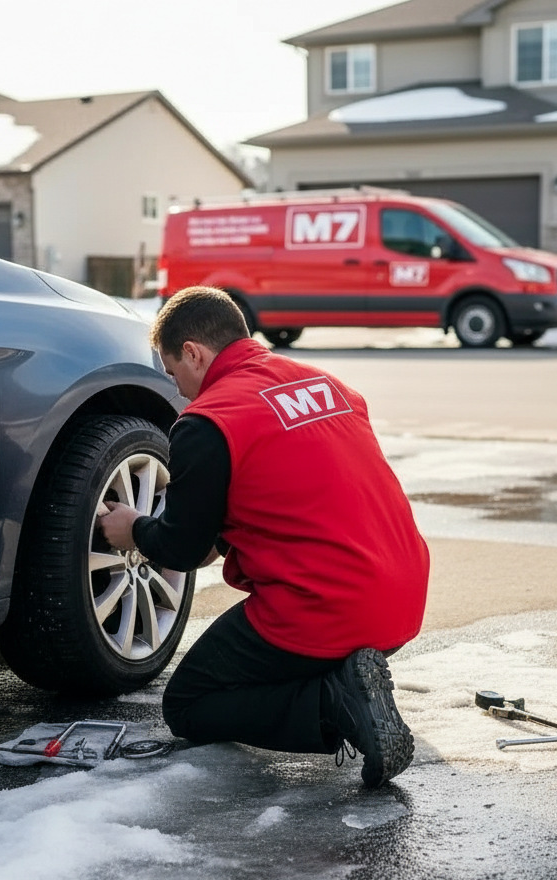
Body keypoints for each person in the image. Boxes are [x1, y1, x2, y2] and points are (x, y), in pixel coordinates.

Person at [98, 286, 429, 787]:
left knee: (188, 703)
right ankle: (348, 684)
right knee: (282, 658)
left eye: (172, 372)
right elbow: (293, 490)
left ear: (193, 352)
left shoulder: (208, 421)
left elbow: (182, 550)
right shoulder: (328, 384)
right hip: (402, 598)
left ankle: (336, 704)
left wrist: (134, 530)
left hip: (327, 608)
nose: (179, 390)